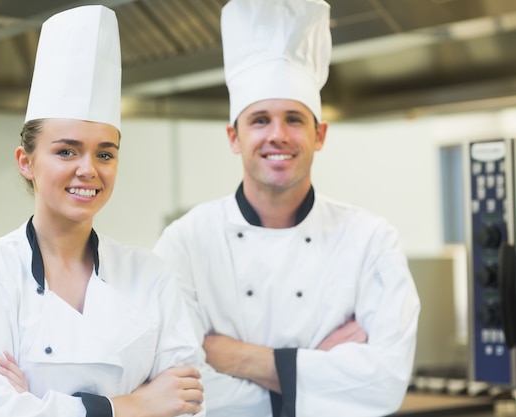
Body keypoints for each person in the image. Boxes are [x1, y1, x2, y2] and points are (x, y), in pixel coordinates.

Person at [152, 0, 421, 416]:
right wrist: (316, 375)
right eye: (259, 120)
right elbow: (178, 391)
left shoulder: (370, 239)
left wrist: (236, 357)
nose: (277, 135)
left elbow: (385, 383)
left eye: (294, 119)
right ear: (233, 137)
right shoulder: (185, 243)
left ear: (320, 135)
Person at [0, 5, 204, 417]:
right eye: (66, 150)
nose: (88, 169)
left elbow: (186, 405)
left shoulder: (151, 277)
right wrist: (133, 404)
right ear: (26, 161)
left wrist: (37, 404)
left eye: (105, 153)